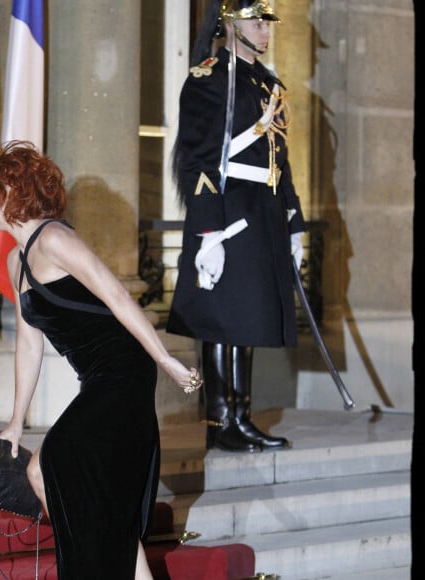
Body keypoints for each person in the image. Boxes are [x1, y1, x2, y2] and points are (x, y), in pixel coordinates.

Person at [0, 140, 202, 580]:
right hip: (97, 379)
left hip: (124, 371)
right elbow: (29, 344)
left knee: (50, 464)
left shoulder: (56, 239)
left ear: (11, 193)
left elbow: (117, 296)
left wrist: (165, 360)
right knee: (85, 495)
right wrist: (16, 420)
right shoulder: (13, 259)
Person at [166, 0, 307, 453]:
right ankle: (222, 419)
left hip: (262, 209)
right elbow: (198, 160)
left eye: (268, 22)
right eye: (256, 21)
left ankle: (240, 415)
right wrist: (208, 233)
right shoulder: (209, 78)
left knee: (247, 318)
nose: (266, 31)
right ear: (230, 23)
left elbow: (279, 161)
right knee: (225, 318)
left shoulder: (268, 84)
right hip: (227, 213)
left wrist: (294, 221)